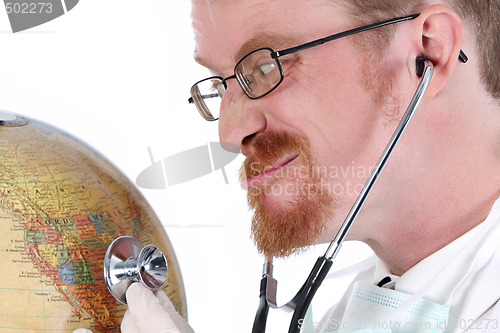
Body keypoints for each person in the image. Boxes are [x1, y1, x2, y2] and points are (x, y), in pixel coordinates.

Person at [75, 0, 500, 332]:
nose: (229, 133)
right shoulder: (352, 314)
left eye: (264, 66)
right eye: (221, 84)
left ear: (430, 52)